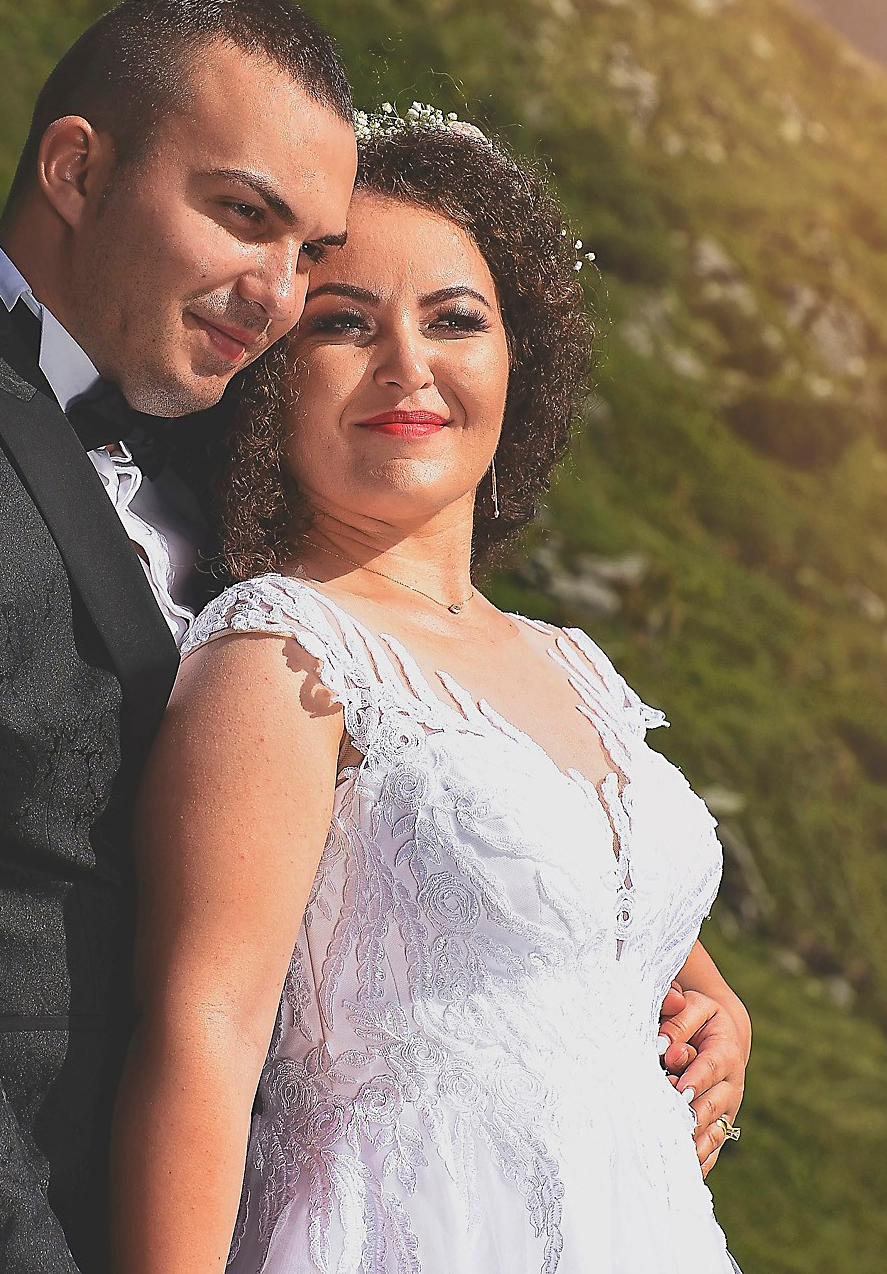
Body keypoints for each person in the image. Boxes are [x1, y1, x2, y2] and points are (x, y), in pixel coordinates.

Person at [0, 0, 748, 1271]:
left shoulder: (219, 449)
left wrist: (672, 979)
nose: (274, 294)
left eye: (306, 253)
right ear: (76, 168)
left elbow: (438, 807)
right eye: (244, 217)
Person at [111, 108, 751, 1274]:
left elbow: (561, 910)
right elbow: (200, 1035)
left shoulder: (567, 660)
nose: (409, 365)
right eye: (344, 325)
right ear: (269, 377)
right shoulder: (281, 653)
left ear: (520, 360)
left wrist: (701, 990)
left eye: (455, 318)